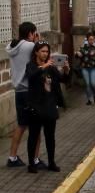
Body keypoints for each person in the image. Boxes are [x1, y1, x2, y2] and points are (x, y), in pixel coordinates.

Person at [24, 42, 68, 173]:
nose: (45, 54)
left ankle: (51, 162)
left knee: (50, 137)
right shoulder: (31, 65)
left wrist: (66, 70)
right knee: (33, 136)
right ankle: (31, 164)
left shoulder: (51, 67)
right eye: (42, 51)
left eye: (47, 52)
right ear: (36, 52)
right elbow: (31, 77)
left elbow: (62, 80)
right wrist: (43, 67)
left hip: (49, 106)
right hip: (35, 107)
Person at [7, 22, 39, 168]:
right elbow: (42, 52)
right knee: (36, 126)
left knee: (21, 125)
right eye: (34, 33)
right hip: (29, 90)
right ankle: (35, 160)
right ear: (30, 33)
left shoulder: (11, 46)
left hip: (18, 91)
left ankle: (12, 157)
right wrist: (38, 41)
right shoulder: (29, 46)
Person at [77, 32, 95, 105]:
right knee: (87, 84)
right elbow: (78, 55)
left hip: (93, 68)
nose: (91, 41)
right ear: (87, 40)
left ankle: (94, 95)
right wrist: (77, 53)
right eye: (90, 39)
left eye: (92, 39)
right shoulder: (83, 48)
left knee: (93, 84)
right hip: (85, 68)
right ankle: (89, 100)